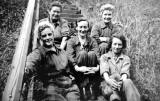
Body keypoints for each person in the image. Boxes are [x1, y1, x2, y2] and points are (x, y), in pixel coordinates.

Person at [25, 22, 80, 101]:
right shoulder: (39, 52)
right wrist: (27, 68)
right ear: (40, 38)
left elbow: (69, 67)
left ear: (53, 34)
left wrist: (71, 75)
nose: (48, 37)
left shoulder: (61, 51)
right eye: (44, 36)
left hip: (69, 85)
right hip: (51, 87)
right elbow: (31, 62)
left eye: (49, 34)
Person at [66, 19, 101, 100]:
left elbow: (97, 54)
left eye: (85, 27)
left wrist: (98, 67)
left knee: (92, 54)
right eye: (81, 27)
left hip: (91, 69)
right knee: (83, 53)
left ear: (88, 28)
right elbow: (70, 56)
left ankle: (90, 85)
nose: (83, 29)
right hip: (78, 70)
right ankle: (82, 86)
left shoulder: (92, 40)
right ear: (77, 28)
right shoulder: (71, 41)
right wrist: (77, 67)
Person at [100, 34, 141, 101]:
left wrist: (121, 81)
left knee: (128, 81)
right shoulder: (104, 57)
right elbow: (105, 72)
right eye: (115, 44)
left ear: (122, 46)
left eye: (119, 44)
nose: (117, 47)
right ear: (111, 44)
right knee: (114, 97)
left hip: (120, 85)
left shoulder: (126, 58)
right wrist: (109, 80)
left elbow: (125, 72)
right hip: (108, 86)